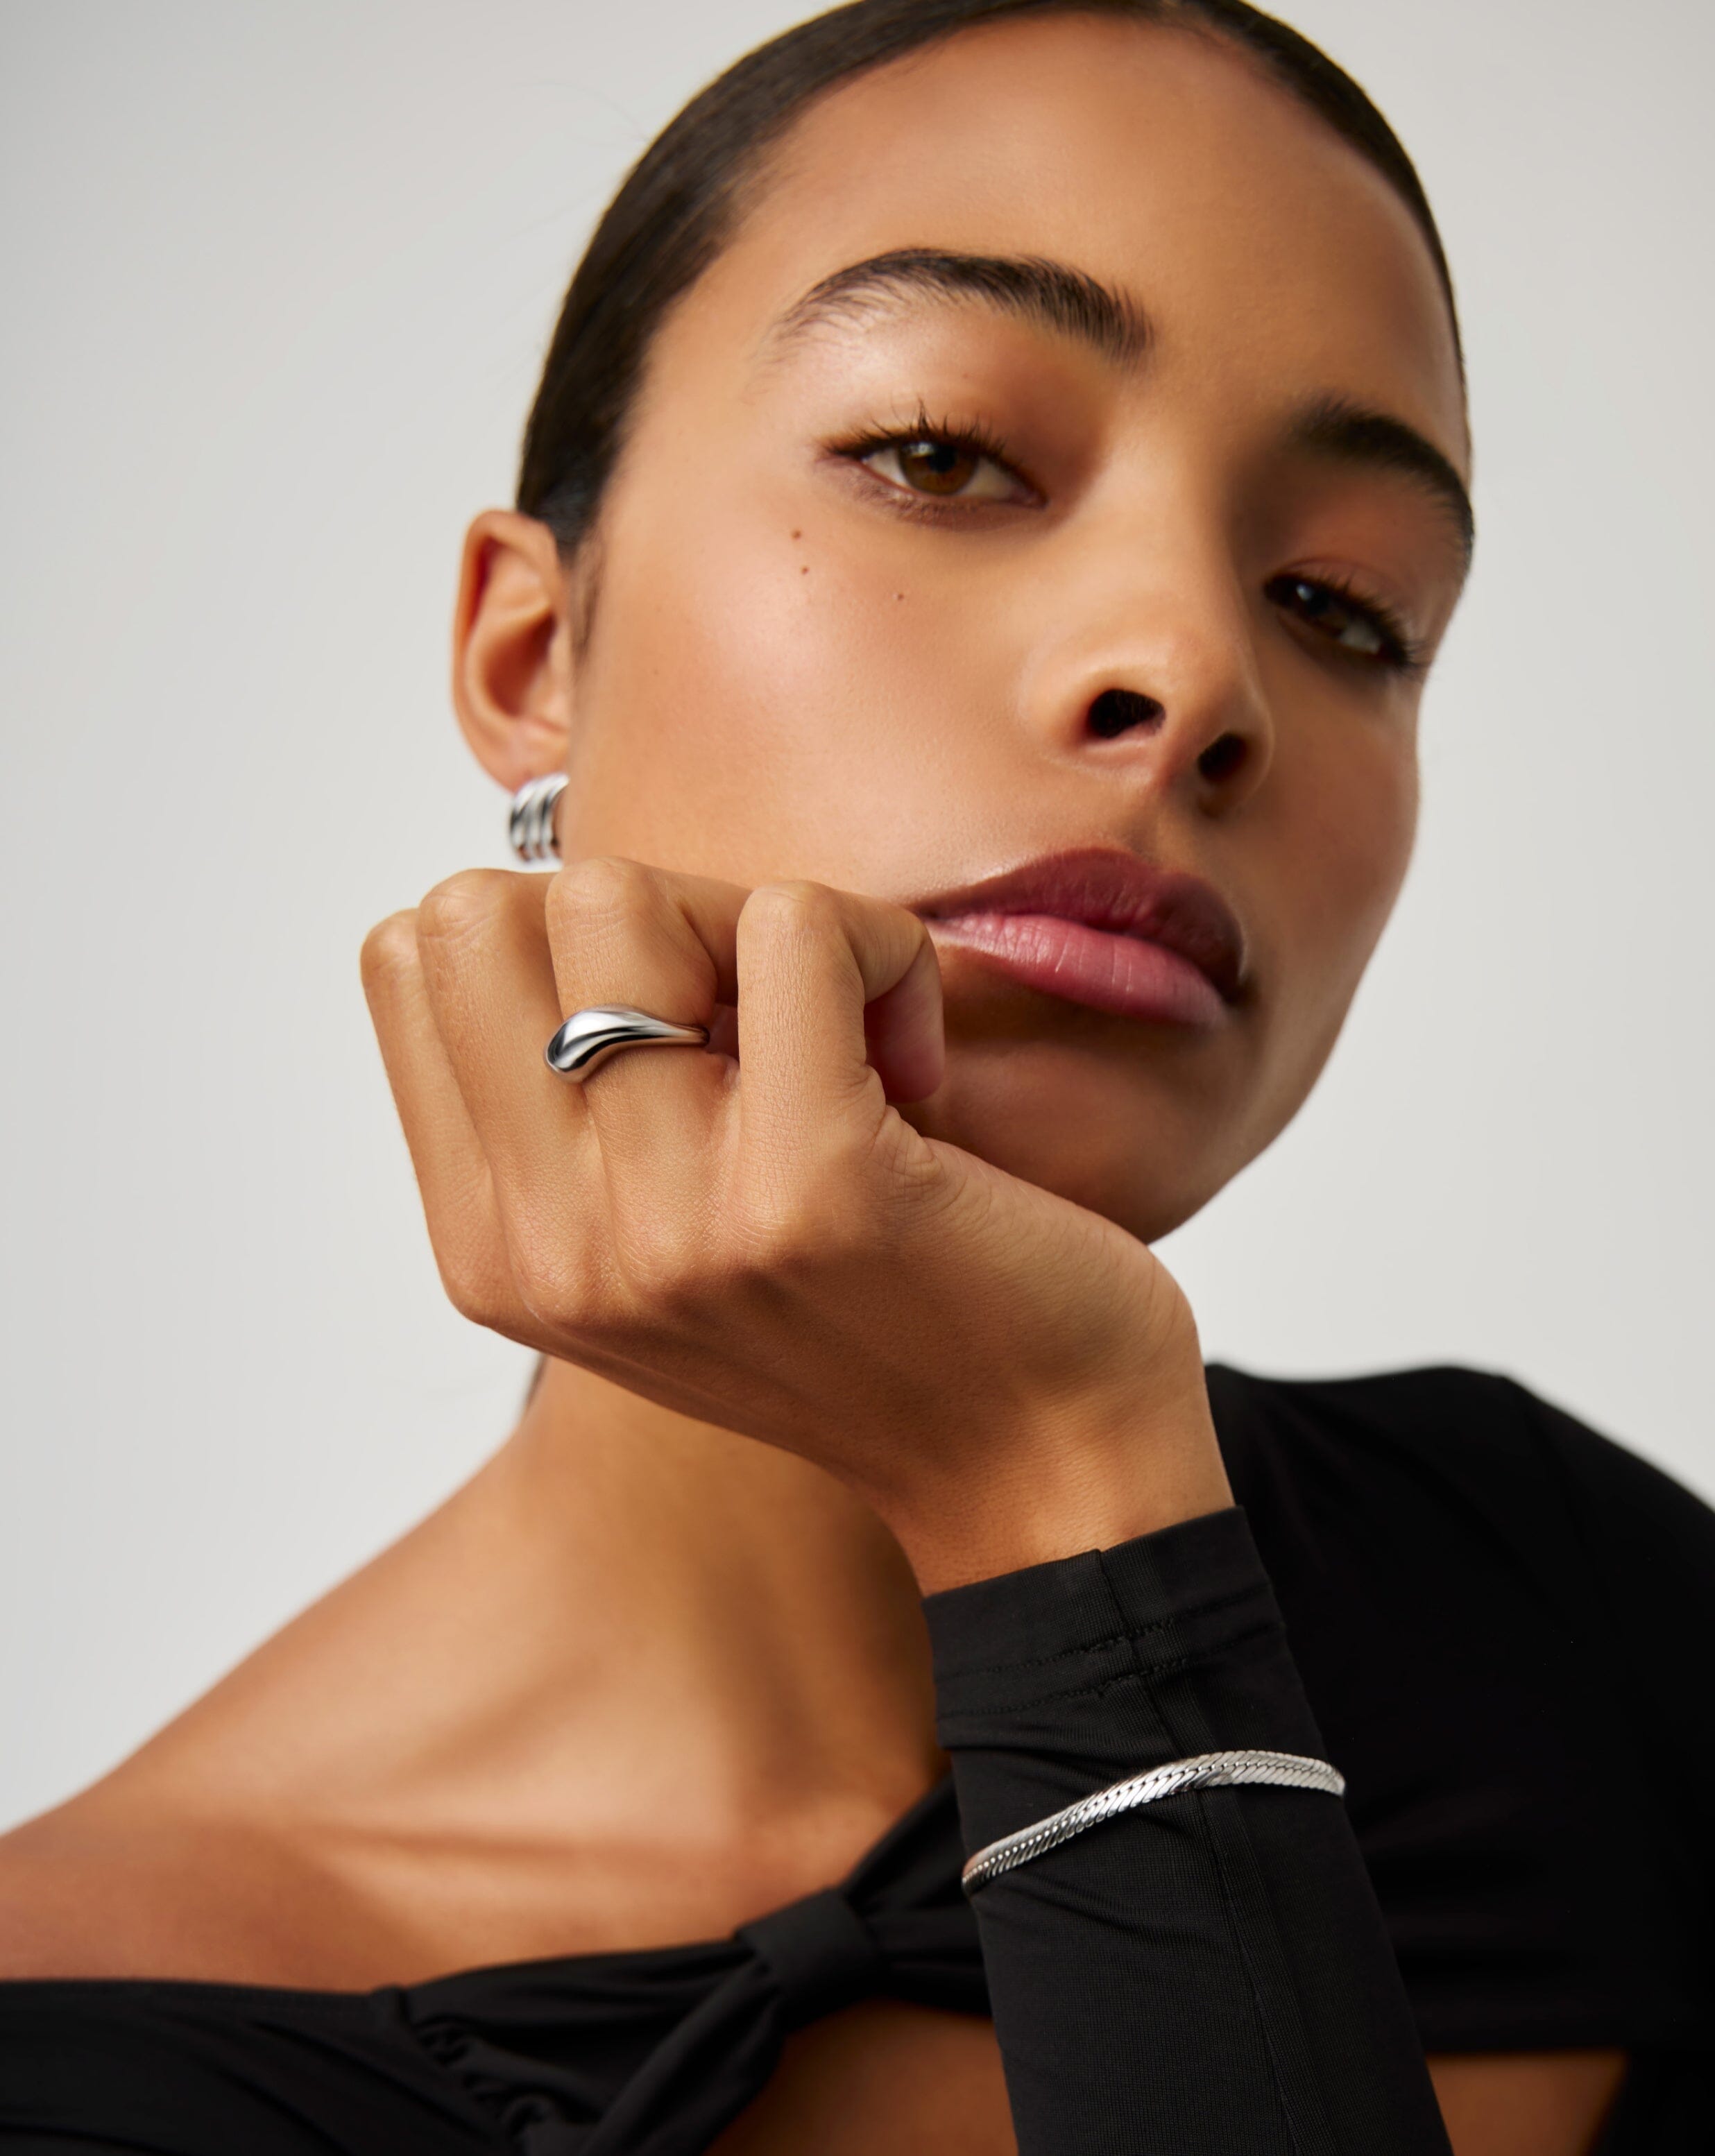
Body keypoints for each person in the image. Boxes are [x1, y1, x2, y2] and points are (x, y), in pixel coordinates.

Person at [1, 2, 1710, 2150]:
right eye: (944, 455)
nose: (1197, 674)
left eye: (1344, 601)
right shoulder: (77, 2050)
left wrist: (1071, 1494)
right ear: (532, 655)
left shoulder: (1573, 1629)